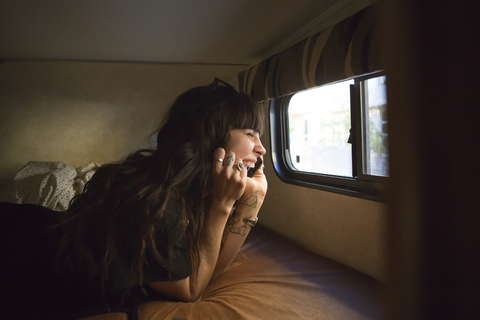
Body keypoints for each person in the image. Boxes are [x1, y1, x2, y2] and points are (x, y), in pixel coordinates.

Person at [0, 78, 267, 319]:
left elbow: (211, 270)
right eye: (250, 133)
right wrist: (224, 205)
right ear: (211, 137)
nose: (261, 148)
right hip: (23, 250)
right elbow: (192, 289)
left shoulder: (193, 194)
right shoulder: (155, 200)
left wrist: (253, 200)